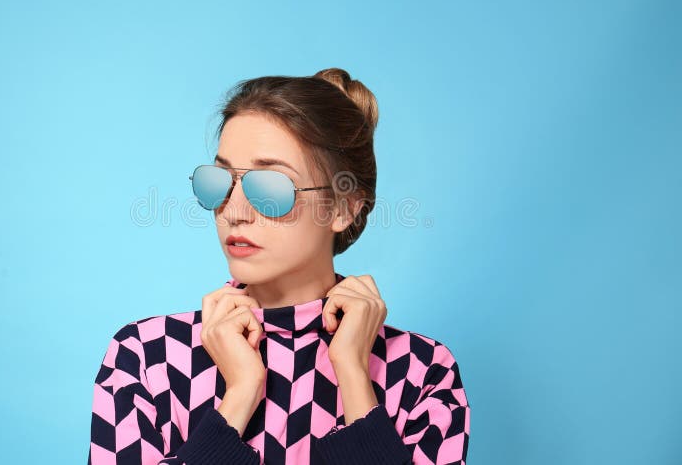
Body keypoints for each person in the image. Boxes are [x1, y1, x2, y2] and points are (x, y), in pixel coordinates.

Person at [88, 68, 471, 464]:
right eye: (219, 180)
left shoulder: (423, 372)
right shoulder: (148, 357)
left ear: (342, 207)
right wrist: (237, 399)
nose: (234, 212)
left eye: (270, 186)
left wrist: (356, 378)